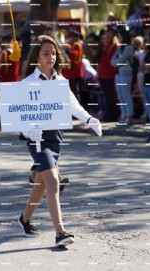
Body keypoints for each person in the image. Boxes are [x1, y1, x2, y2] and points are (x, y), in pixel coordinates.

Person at [18, 35, 102, 247]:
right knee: (54, 182)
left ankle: (24, 219)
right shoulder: (27, 83)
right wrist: (29, 132)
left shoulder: (61, 81)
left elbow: (73, 105)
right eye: (46, 53)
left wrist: (89, 119)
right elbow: (17, 114)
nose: (51, 57)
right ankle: (60, 232)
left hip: (56, 139)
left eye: (54, 53)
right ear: (36, 56)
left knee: (42, 183)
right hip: (38, 141)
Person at [111, 29, 134, 125]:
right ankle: (123, 115)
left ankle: (129, 116)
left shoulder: (129, 48)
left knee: (126, 96)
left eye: (120, 36)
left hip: (126, 74)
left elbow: (122, 59)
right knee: (120, 97)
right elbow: (112, 61)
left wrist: (117, 62)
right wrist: (117, 63)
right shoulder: (119, 48)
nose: (119, 38)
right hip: (118, 74)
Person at [97, 25, 118, 122]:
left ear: (112, 34)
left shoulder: (114, 45)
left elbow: (111, 60)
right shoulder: (105, 45)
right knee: (106, 96)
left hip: (109, 74)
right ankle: (107, 114)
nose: (105, 34)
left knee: (111, 97)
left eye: (108, 32)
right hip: (103, 74)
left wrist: (100, 56)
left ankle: (113, 116)